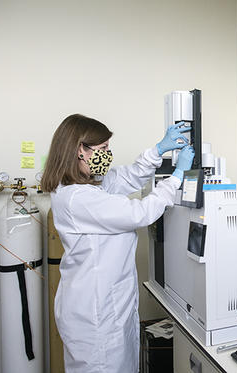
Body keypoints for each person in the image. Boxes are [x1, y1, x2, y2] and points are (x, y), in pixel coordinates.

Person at [41, 114, 194, 373]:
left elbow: (127, 177)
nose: (107, 156)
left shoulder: (89, 185)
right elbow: (140, 213)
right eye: (102, 150)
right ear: (80, 150)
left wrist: (157, 150)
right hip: (95, 314)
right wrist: (177, 177)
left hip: (106, 303)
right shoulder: (77, 198)